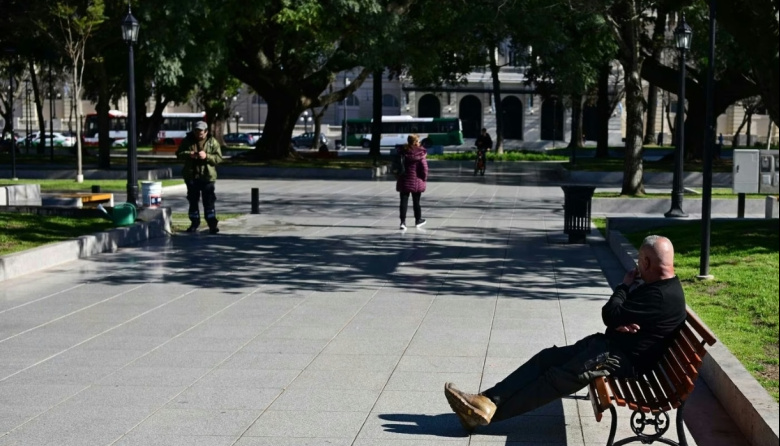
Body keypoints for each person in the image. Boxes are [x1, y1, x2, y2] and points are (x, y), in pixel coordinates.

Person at [444, 235, 686, 432]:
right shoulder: (661, 287)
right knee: (547, 358)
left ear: (645, 262)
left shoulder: (659, 296)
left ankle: (483, 414)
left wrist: (623, 285)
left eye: (638, 262)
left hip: (619, 359)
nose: (637, 268)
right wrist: (619, 322)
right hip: (611, 347)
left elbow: (610, 314)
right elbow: (616, 319)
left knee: (555, 379)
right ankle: (486, 400)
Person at [176, 121, 223, 234]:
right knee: (193, 201)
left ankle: (212, 224)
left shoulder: (212, 142)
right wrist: (189, 154)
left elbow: (219, 158)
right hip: (191, 176)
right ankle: (194, 223)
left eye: (201, 132)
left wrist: (207, 156)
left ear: (206, 132)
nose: (198, 134)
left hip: (207, 177)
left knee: (209, 201)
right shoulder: (187, 141)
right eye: (196, 131)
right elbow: (179, 154)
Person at [396, 134, 429, 230]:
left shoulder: (402, 152)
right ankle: (418, 220)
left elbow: (397, 165)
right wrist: (424, 178)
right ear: (415, 142)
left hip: (404, 179)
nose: (419, 143)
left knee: (403, 201)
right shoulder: (421, 153)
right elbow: (424, 168)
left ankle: (403, 222)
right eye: (418, 141)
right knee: (416, 202)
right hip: (417, 180)